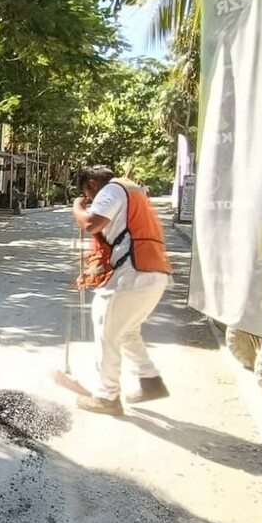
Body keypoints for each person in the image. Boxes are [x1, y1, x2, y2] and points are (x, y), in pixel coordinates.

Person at [70, 165, 173, 416]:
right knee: (126, 331)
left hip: (134, 273)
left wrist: (77, 208)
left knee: (105, 324)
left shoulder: (112, 189)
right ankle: (150, 381)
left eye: (88, 195)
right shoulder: (133, 191)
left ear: (92, 184)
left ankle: (107, 396)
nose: (91, 201)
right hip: (153, 272)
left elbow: (92, 224)